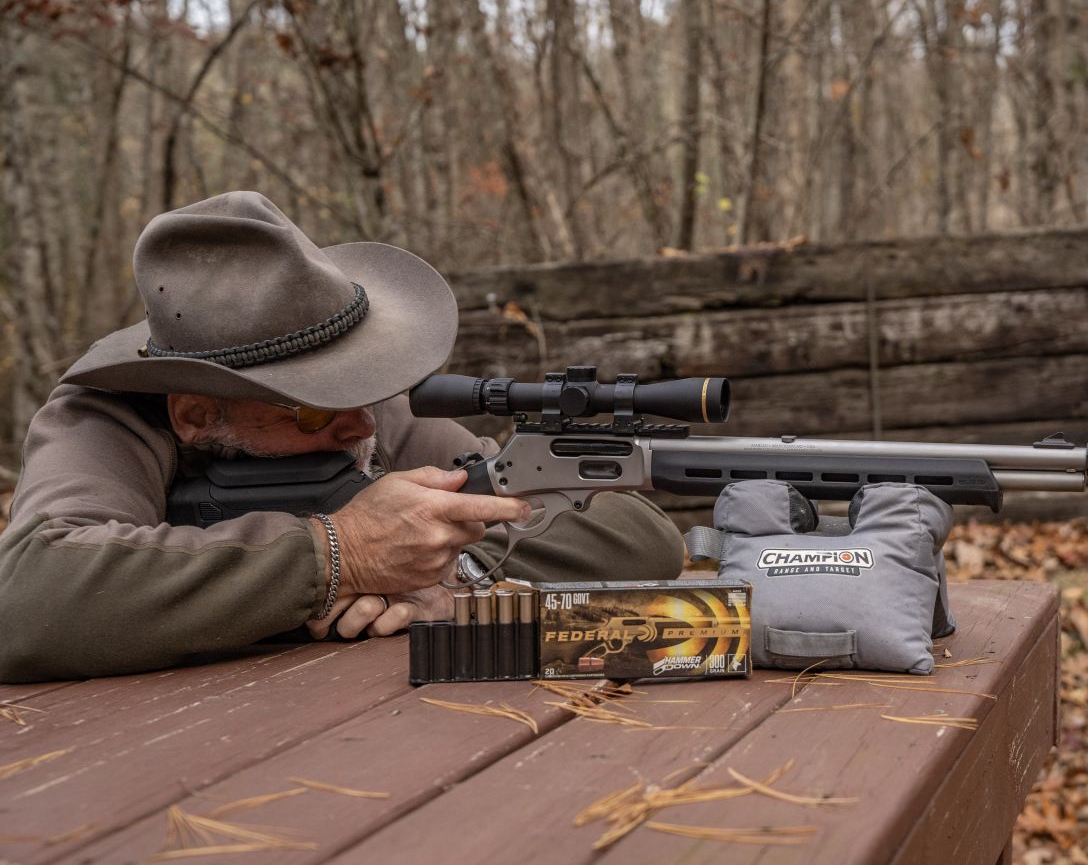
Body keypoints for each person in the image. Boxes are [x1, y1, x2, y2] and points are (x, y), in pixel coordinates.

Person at [0, 192, 685, 682]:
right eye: (309, 408)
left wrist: (445, 568)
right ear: (196, 414)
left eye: (356, 386)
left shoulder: (370, 410)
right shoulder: (105, 417)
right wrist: (340, 556)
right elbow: (30, 595)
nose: (359, 424)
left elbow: (636, 535)